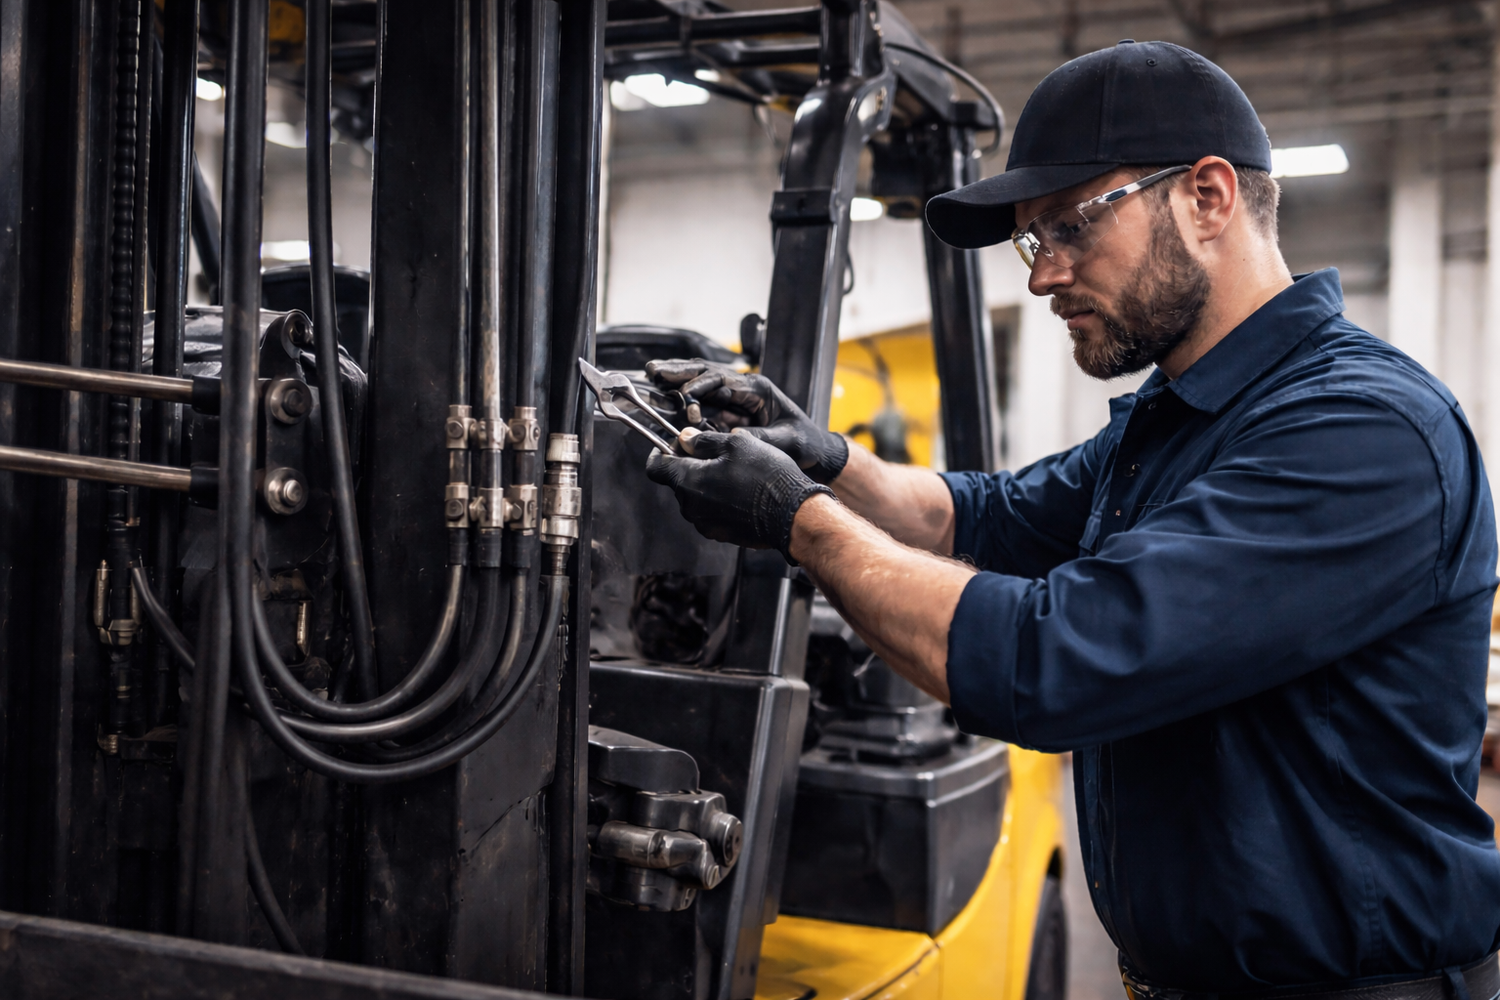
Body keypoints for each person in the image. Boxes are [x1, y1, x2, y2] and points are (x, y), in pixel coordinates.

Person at [642, 39, 1500, 1000]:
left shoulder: (1359, 432)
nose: (1043, 275)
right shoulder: (1179, 418)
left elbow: (1052, 662)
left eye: (1070, 227)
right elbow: (989, 514)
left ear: (1207, 198)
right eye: (1030, 240)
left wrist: (797, 520)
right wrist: (829, 460)